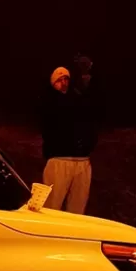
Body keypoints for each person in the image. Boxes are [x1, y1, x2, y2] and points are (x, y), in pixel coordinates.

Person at [39, 55, 101, 213]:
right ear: (53, 83)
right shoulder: (49, 102)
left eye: (66, 79)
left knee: (77, 212)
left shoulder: (77, 99)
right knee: (51, 209)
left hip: (82, 161)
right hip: (59, 160)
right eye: (59, 80)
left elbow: (91, 115)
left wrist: (89, 143)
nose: (64, 83)